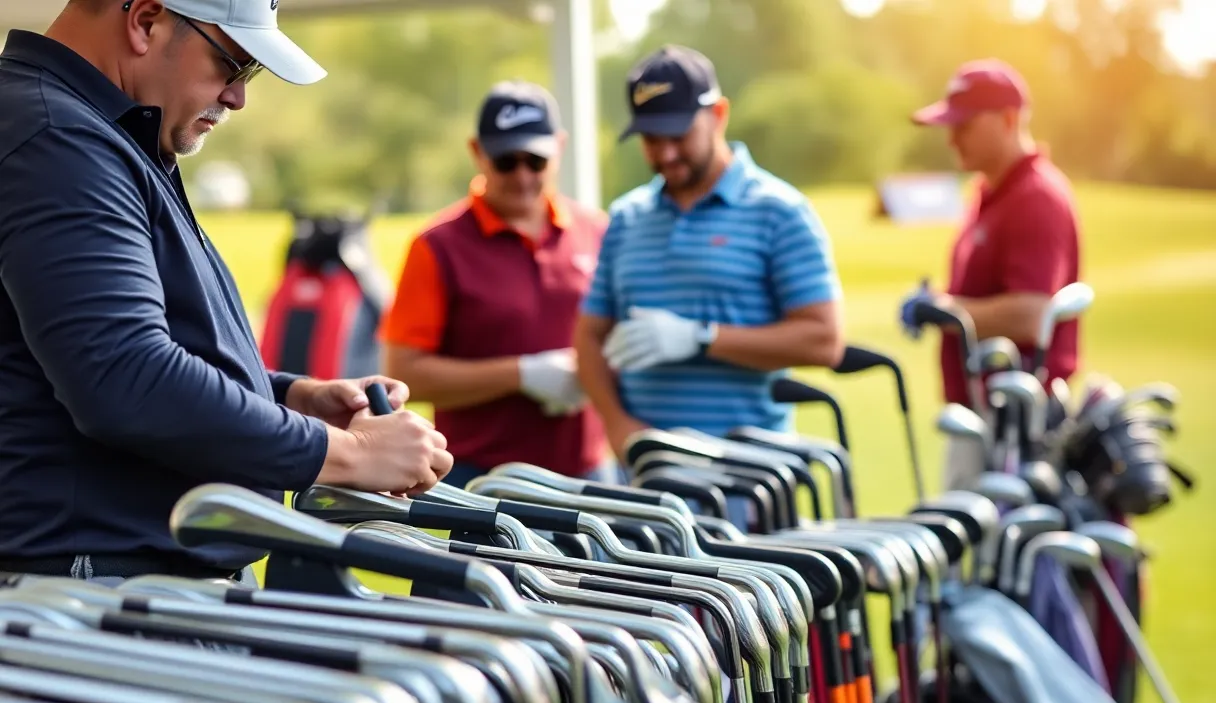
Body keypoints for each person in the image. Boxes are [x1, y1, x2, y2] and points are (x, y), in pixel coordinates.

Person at [0, 0, 453, 585]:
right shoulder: (59, 139)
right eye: (232, 64)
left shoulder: (93, 131)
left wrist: (291, 398)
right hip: (103, 591)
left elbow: (127, 353)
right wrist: (350, 454)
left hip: (129, 584)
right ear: (144, 19)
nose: (238, 96)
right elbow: (125, 377)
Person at [574, 45, 845, 462]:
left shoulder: (779, 211)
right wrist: (616, 423)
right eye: (651, 139)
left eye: (678, 135)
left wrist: (701, 337)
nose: (665, 153)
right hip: (649, 472)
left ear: (718, 114)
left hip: (752, 476)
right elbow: (589, 334)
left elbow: (824, 340)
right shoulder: (628, 217)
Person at [380, 80, 613, 489]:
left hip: (587, 470)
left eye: (536, 161)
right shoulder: (437, 246)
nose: (523, 176)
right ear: (477, 152)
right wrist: (521, 375)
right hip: (484, 479)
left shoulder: (596, 231)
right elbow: (406, 373)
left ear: (559, 147)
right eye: (507, 161)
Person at [901, 59, 1083, 489]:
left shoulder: (1037, 196)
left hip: (1019, 423)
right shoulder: (988, 193)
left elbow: (1031, 314)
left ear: (1008, 119)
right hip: (983, 414)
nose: (952, 138)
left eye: (964, 126)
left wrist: (941, 309)